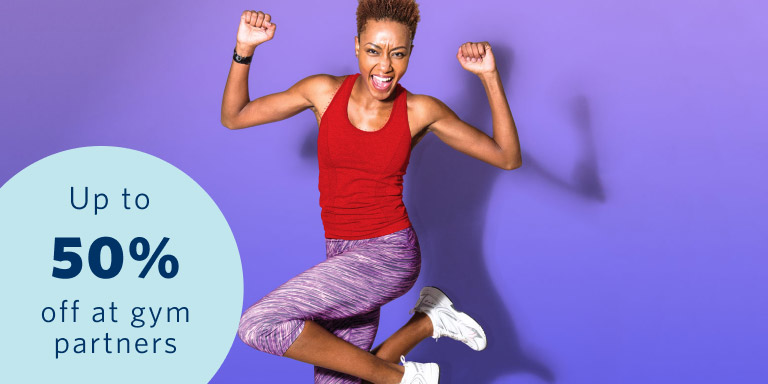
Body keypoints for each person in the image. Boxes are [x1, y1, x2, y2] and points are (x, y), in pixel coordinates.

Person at [220, 1, 521, 383]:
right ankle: (426, 322)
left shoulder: (419, 110)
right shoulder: (323, 92)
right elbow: (235, 116)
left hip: (388, 253)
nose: (385, 66)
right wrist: (244, 49)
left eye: (397, 53)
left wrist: (490, 77)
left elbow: (507, 157)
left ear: (410, 52)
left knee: (259, 324)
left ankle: (402, 379)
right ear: (358, 45)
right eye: (374, 51)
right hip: (340, 253)